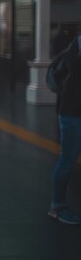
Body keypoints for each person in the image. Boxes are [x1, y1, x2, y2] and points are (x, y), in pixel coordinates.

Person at [48, 33, 81, 225]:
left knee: (67, 160)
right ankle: (57, 206)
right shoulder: (73, 57)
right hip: (72, 116)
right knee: (67, 161)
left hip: (72, 114)